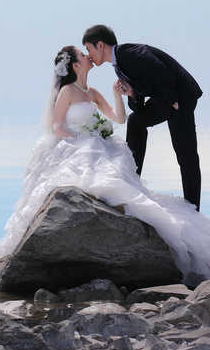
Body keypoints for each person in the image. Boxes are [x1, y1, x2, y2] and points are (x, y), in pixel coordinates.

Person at [0, 45, 210, 284]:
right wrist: (79, 140)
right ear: (76, 65)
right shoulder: (67, 91)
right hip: (73, 143)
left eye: (87, 50)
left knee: (114, 169)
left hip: (93, 141)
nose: (87, 55)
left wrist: (117, 95)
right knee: (92, 170)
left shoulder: (92, 92)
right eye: (83, 54)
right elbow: (56, 126)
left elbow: (119, 118)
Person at [82, 24, 203, 211]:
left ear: (100, 45)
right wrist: (131, 93)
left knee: (186, 155)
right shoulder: (119, 65)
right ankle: (132, 179)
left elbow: (158, 68)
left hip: (180, 97)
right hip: (164, 99)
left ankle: (194, 210)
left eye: (88, 49)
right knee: (136, 121)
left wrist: (172, 99)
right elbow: (138, 106)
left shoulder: (128, 52)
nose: (88, 54)